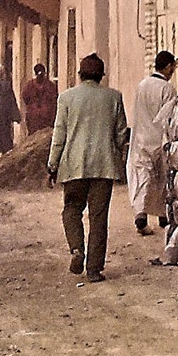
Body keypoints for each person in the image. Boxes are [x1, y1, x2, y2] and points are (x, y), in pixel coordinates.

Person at [47, 52, 128, 283]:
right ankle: (94, 269)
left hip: (73, 165)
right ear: (102, 75)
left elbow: (59, 135)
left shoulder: (66, 98)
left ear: (80, 74)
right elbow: (121, 133)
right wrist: (116, 152)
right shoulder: (114, 97)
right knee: (98, 217)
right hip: (104, 166)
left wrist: (52, 165)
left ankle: (76, 249)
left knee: (71, 209)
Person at [126, 50, 178, 235]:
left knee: (143, 178)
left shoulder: (142, 85)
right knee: (163, 179)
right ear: (168, 67)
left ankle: (141, 215)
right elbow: (169, 116)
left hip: (141, 139)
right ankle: (163, 216)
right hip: (160, 139)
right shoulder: (168, 89)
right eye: (173, 67)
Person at [21, 63, 59, 135]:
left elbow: (25, 98)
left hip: (35, 118)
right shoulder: (50, 86)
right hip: (45, 118)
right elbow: (55, 101)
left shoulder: (29, 85)